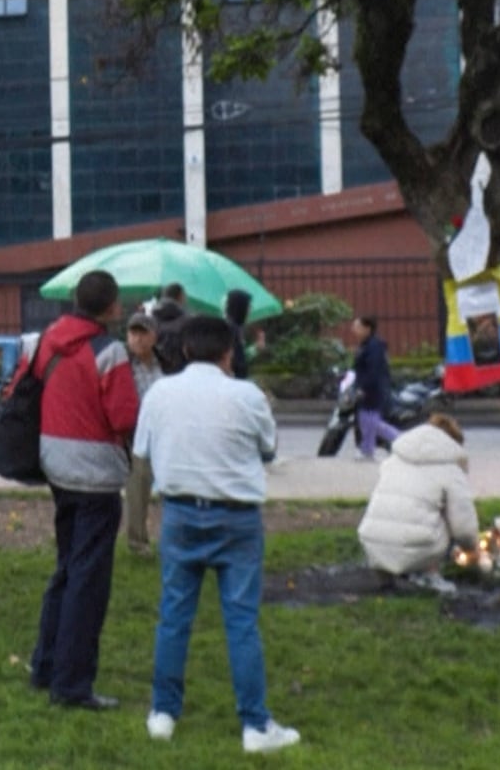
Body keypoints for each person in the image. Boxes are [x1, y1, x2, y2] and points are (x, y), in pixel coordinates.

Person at [134, 316, 299, 754]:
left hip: (181, 513)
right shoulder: (247, 395)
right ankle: (255, 725)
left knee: (174, 615)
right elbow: (268, 449)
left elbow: (142, 451)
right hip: (237, 518)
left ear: (185, 350)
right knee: (241, 621)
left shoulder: (159, 392)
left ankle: (163, 713)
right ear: (230, 353)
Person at [27, 270, 138, 711]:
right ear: (111, 307)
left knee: (66, 569)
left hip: (56, 464)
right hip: (96, 473)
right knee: (87, 581)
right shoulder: (109, 352)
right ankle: (72, 683)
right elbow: (125, 417)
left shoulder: (50, 340)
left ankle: (47, 664)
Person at [356, 413, 478, 595]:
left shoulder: (393, 460)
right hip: (418, 546)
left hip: (373, 541)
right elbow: (464, 528)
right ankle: (428, 573)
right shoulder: (450, 470)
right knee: (447, 516)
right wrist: (472, 549)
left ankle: (386, 573)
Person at [124, 313, 164, 556]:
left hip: (165, 433)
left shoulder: (166, 363)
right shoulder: (124, 366)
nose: (138, 339)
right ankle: (137, 541)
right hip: (137, 434)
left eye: (143, 333)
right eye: (133, 333)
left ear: (154, 336)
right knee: (138, 487)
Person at [351, 315, 399, 460]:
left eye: (358, 326)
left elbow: (373, 370)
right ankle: (368, 448)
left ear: (367, 329)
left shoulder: (374, 346)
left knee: (370, 420)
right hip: (368, 387)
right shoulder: (366, 345)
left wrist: (363, 387)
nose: (354, 330)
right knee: (368, 421)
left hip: (373, 389)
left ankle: (401, 439)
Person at [150, 283, 189, 375]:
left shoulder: (150, 319)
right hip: (181, 370)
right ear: (180, 297)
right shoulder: (187, 321)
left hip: (155, 371)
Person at [224, 289, 252, 379]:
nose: (250, 311)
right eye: (248, 307)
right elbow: (237, 357)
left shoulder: (236, 328)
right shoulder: (231, 329)